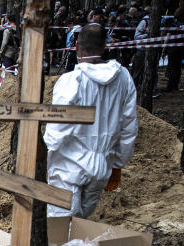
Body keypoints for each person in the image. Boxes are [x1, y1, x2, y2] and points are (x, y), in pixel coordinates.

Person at [44, 24, 138, 218]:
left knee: (59, 228)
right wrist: (118, 162)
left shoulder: (72, 81)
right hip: (101, 166)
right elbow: (129, 126)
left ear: (77, 45)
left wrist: (42, 160)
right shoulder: (123, 78)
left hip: (68, 167)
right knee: (81, 223)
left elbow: (57, 129)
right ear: (105, 46)